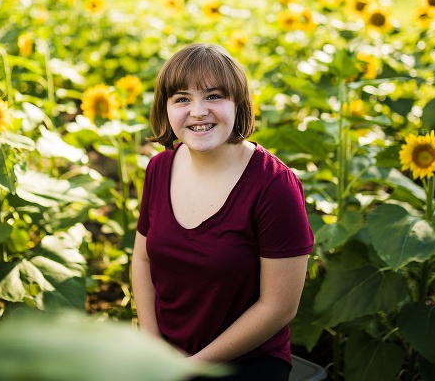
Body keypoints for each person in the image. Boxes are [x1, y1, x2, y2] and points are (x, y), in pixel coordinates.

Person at [131, 43, 314, 381]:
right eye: (182, 99)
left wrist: (190, 368)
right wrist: (152, 347)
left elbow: (279, 307)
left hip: (243, 360)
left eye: (214, 96)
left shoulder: (274, 186)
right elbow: (142, 260)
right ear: (166, 109)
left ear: (238, 104)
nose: (198, 111)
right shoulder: (159, 167)